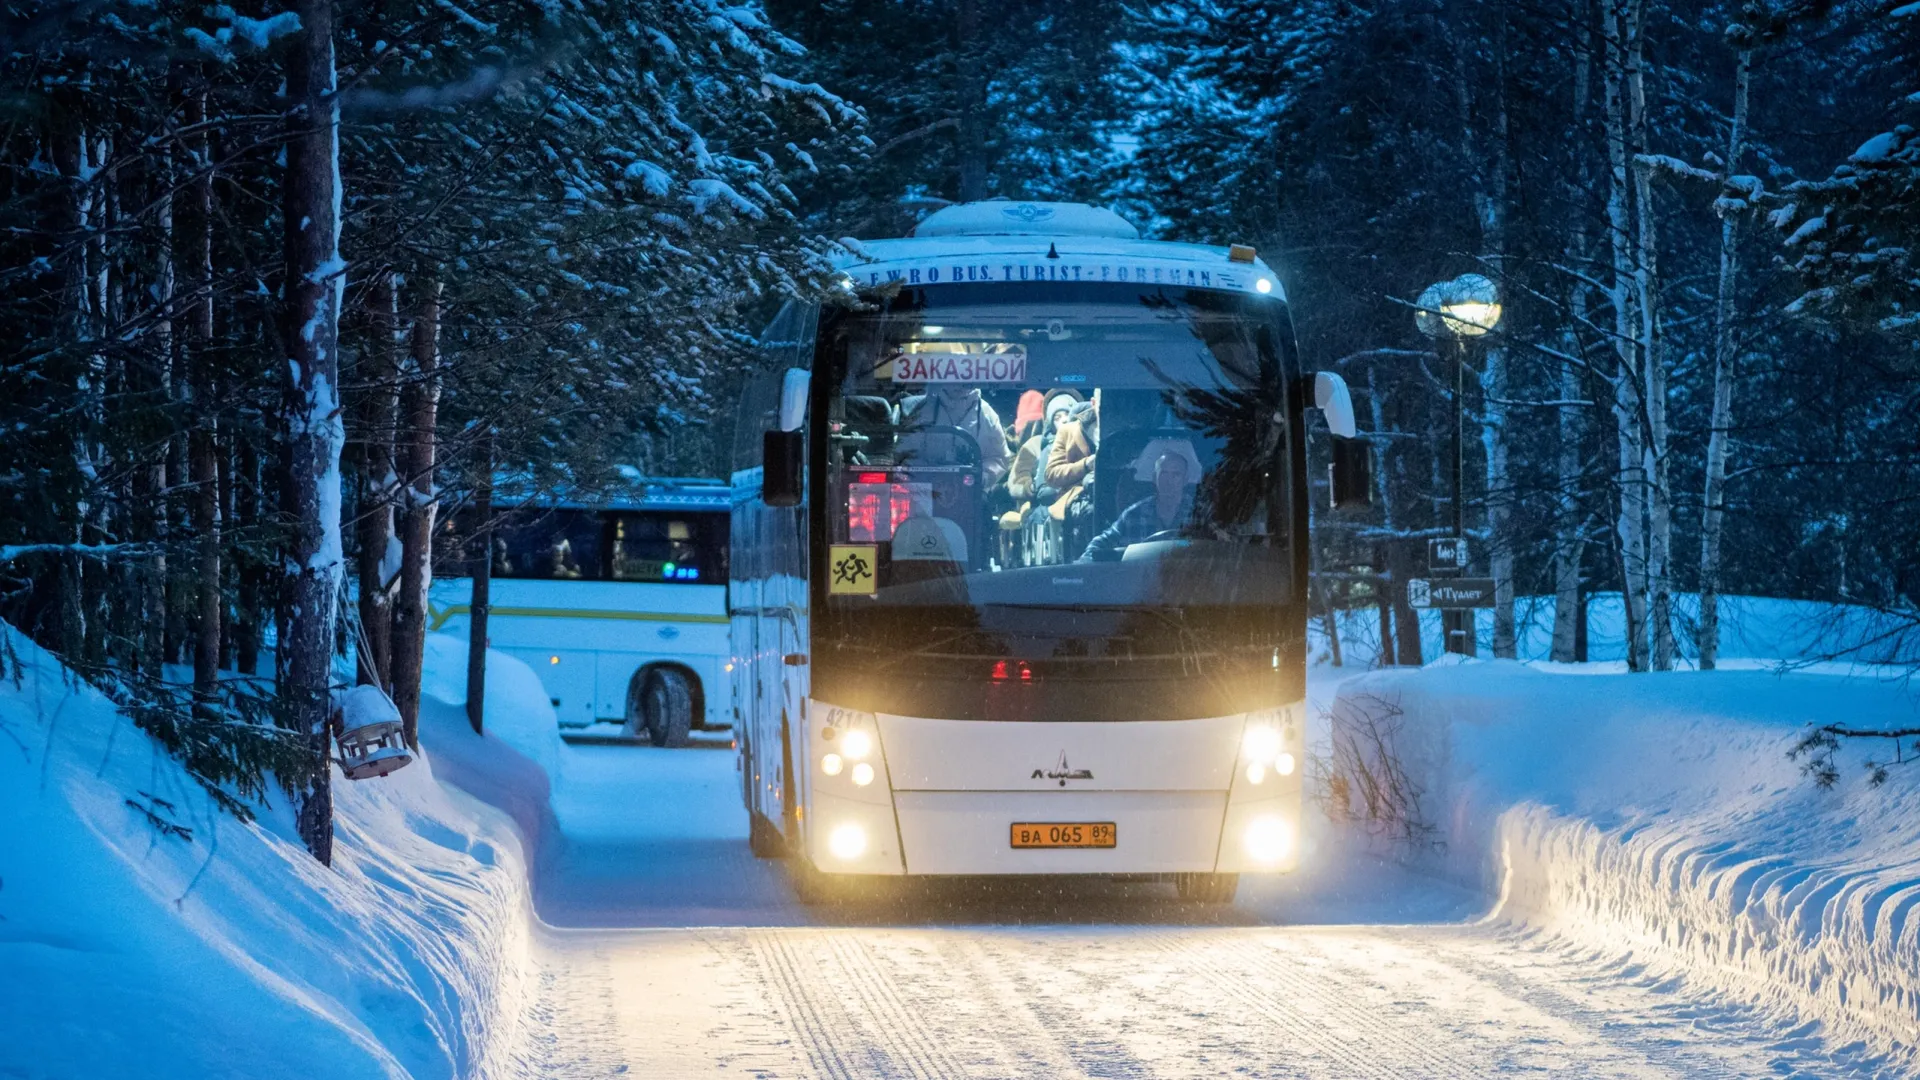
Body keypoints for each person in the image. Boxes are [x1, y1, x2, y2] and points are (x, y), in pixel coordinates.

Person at [1078, 450, 1196, 562]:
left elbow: (1213, 548)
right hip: (1140, 581)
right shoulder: (1133, 515)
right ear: (1154, 478)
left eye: (1176, 474)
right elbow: (1100, 545)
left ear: (1185, 480)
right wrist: (1084, 562)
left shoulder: (1200, 515)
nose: (1168, 480)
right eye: (1163, 473)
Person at [897, 383, 1011, 486]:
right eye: (954, 379)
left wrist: (982, 477)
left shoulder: (987, 415)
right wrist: (922, 476)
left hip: (970, 493)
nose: (959, 384)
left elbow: (999, 458)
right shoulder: (924, 411)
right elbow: (904, 455)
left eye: (965, 380)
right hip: (927, 493)